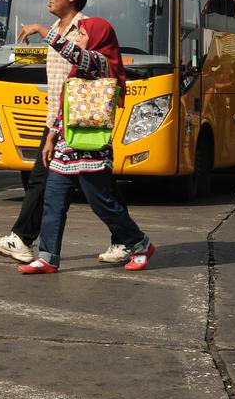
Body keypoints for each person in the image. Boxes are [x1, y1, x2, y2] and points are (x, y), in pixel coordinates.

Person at [0, 0, 123, 265]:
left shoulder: (86, 29)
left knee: (95, 189)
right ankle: (27, 242)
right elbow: (55, 79)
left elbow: (88, 64)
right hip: (59, 121)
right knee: (47, 184)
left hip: (83, 121)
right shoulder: (55, 29)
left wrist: (44, 32)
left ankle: (128, 240)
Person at [19, 17, 155, 273]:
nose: (77, 39)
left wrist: (40, 30)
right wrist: (51, 137)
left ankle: (140, 243)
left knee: (102, 203)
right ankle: (48, 257)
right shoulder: (77, 72)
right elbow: (65, 108)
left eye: (82, 34)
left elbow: (73, 53)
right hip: (65, 148)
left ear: (98, 38)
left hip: (92, 151)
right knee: (53, 201)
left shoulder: (102, 63)